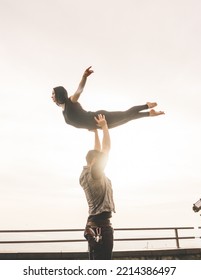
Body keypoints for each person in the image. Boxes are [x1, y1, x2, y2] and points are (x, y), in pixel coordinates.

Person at [52, 66, 164, 130]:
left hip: (99, 117)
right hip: (99, 126)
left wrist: (84, 77)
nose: (51, 96)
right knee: (127, 118)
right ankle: (150, 114)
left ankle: (147, 105)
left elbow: (79, 90)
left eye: (53, 94)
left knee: (126, 114)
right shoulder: (64, 111)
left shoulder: (71, 102)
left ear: (59, 94)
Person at [79, 114, 115, 260]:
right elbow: (105, 149)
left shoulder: (86, 172)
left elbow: (98, 150)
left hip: (94, 227)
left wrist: (95, 132)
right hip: (100, 228)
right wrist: (104, 126)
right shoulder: (94, 174)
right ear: (94, 161)